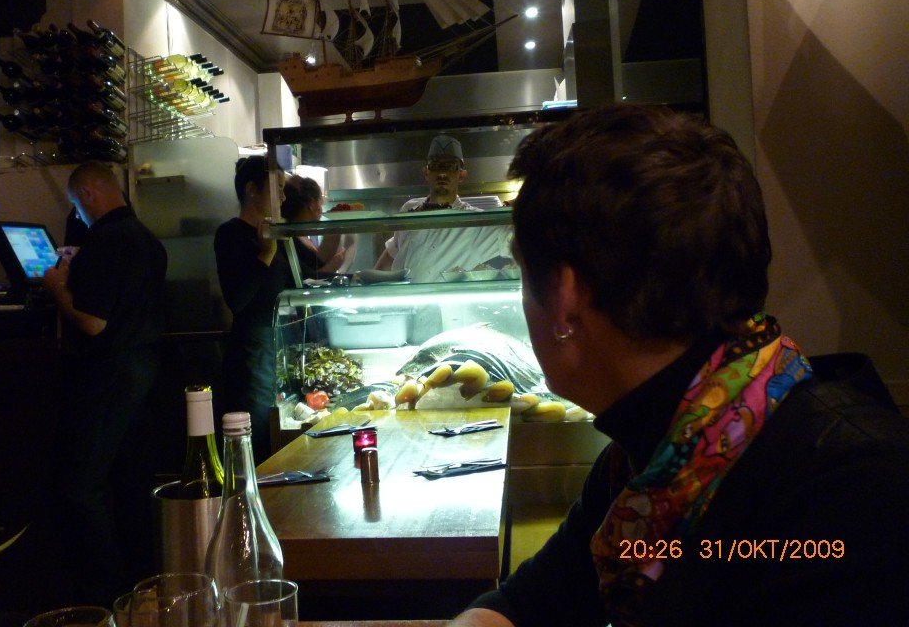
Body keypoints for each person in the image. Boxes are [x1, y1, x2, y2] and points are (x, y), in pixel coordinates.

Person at [450, 104, 909, 627]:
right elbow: (527, 606)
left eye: (522, 270)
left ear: (564, 297)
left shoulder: (855, 492)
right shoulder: (652, 458)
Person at [41, 160, 167, 604]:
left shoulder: (105, 241)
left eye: (76, 206)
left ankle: (105, 592)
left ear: (88, 195)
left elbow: (93, 323)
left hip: (110, 373)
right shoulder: (147, 239)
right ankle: (142, 584)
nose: (78, 214)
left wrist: (57, 289)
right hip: (145, 371)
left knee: (80, 484)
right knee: (130, 481)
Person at [214, 155, 289, 463]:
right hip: (250, 357)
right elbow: (237, 298)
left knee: (275, 439)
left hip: (276, 349)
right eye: (277, 188)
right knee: (255, 443)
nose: (283, 197)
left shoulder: (275, 234)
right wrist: (266, 253)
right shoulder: (230, 234)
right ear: (252, 190)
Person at [375, 134, 510, 283]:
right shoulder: (409, 208)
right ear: (426, 172)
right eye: (436, 165)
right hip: (403, 297)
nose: (442, 173)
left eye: (450, 166)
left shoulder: (476, 222)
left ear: (461, 175)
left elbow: (515, 239)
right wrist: (370, 283)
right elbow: (393, 252)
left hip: (445, 298)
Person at [281, 174, 347, 280]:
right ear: (312, 204)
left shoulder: (296, 235)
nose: (321, 209)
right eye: (320, 202)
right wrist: (333, 266)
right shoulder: (289, 239)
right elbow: (305, 279)